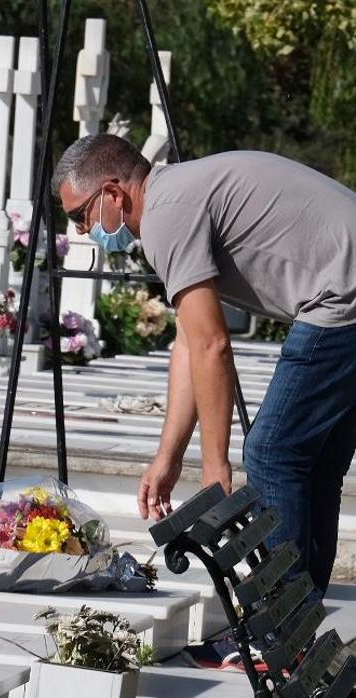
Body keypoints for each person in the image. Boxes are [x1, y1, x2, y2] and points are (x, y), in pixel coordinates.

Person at [53, 134, 356, 595]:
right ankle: (300, 627)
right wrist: (169, 456)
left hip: (343, 297)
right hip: (345, 290)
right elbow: (190, 343)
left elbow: (214, 346)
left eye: (80, 216)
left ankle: (283, 627)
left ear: (112, 194)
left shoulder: (165, 214)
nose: (79, 230)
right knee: (312, 460)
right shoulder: (176, 195)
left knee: (271, 452)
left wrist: (216, 467)